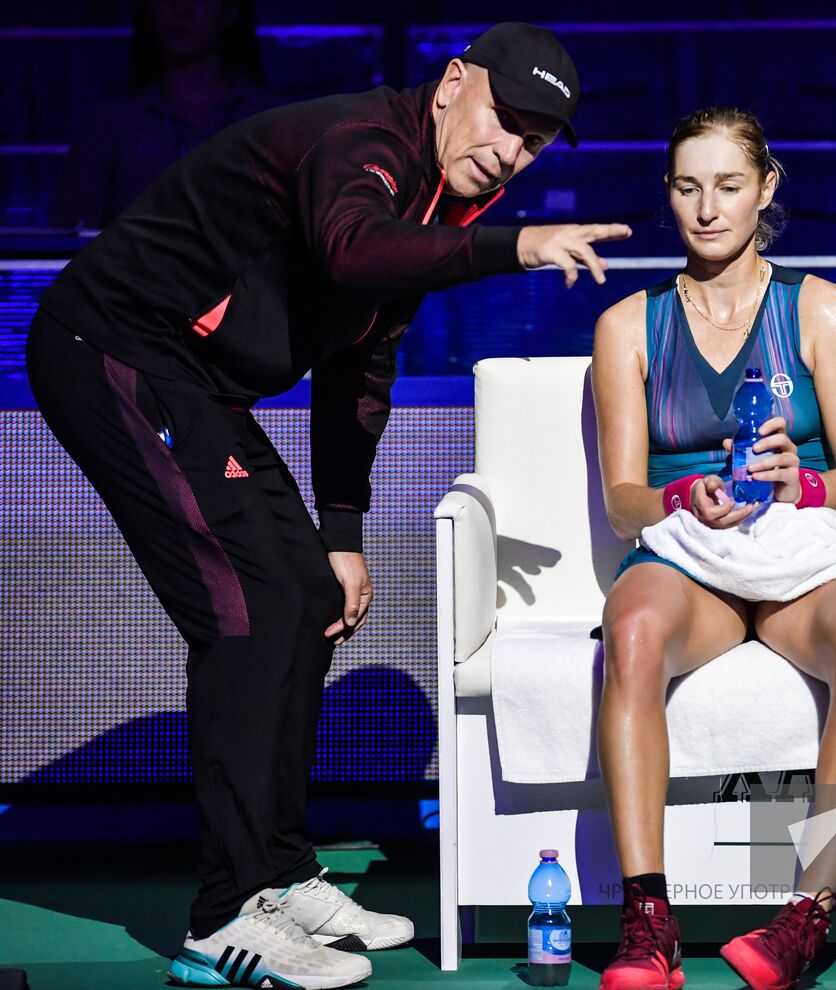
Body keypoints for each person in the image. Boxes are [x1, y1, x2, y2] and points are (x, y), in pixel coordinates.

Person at [26, 21, 630, 990]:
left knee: (306, 593)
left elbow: (359, 364)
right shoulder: (363, 148)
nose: (509, 149)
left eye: (533, 141)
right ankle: (224, 917)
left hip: (195, 382)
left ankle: (282, 871)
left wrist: (341, 534)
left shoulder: (434, 199)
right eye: (502, 119)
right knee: (245, 611)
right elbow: (355, 253)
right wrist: (513, 247)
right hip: (115, 349)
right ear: (450, 85)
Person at [590, 107, 836, 990]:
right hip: (690, 554)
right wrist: (683, 492)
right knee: (635, 633)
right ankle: (648, 922)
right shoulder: (626, 328)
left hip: (803, 548)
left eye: (729, 186)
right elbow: (623, 505)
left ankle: (805, 921)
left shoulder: (822, 309)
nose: (708, 207)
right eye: (688, 187)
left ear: (766, 189)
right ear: (668, 196)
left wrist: (800, 480)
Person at [52, 0, 283, 229]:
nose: (180, 9)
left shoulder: (275, 119)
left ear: (231, 11)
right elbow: (70, 237)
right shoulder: (110, 124)